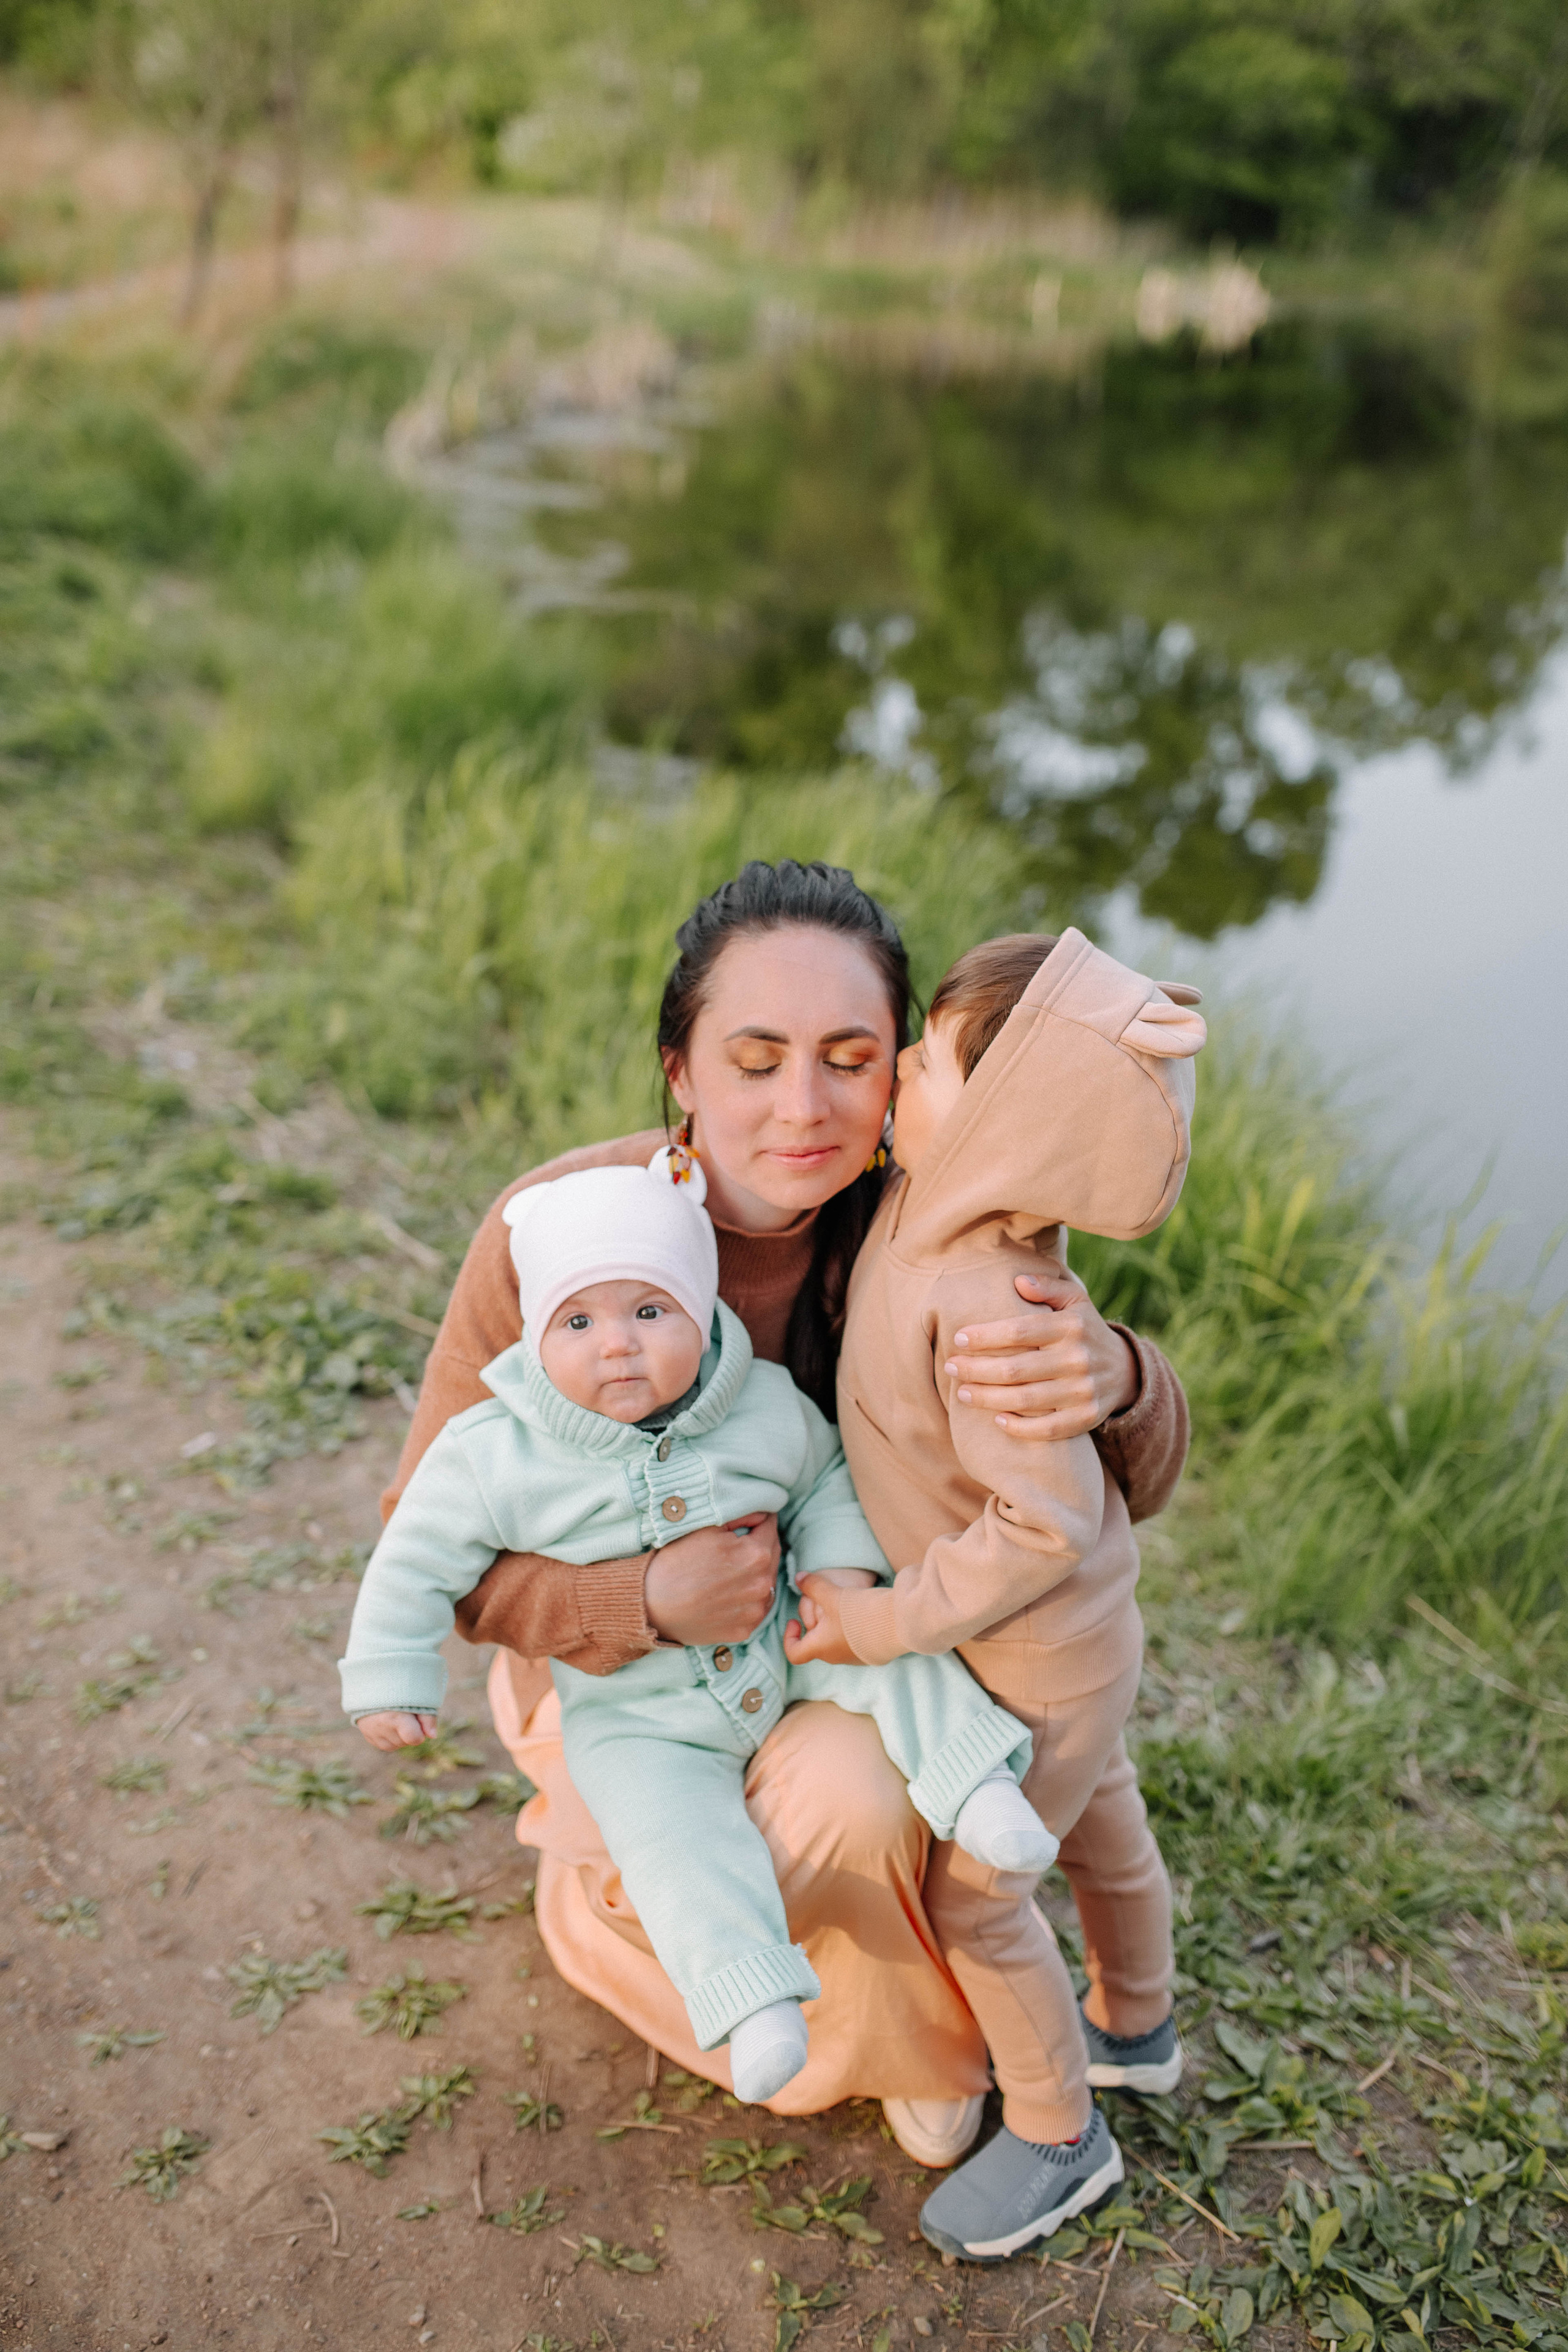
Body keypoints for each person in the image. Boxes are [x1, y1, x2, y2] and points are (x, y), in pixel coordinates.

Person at [382, 859, 1192, 2169]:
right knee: (829, 1809)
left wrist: (1119, 1376)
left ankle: (913, 2017)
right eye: (753, 1060)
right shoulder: (563, 1235)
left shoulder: (932, 1214)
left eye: (851, 1057)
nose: (803, 1107)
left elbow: (1124, 1496)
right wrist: (631, 1600)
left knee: (900, 1776)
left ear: (902, 1079)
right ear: (680, 1072)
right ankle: (627, 1918)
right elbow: (431, 1544)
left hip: (834, 1646)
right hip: (626, 1678)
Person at [341, 1155, 1049, 2101]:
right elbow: (416, 1560)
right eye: (579, 1322)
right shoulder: (493, 1453)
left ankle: (979, 1787)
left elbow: (827, 1475)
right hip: (638, 1711)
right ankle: (750, 1996)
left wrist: (839, 1575)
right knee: (674, 1836)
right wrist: (391, 1674)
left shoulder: (757, 1400)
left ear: (701, 1309)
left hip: (782, 1640)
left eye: (649, 1312)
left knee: (894, 1663)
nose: (618, 1347)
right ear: (537, 1332)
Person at [783, 929, 1203, 2256]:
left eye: (930, 1060)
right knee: (1101, 1813)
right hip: (1065, 1647)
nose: (900, 1064)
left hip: (1033, 1649)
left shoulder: (992, 1301)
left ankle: (1053, 2130)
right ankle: (1135, 2023)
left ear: (1009, 1130)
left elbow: (1045, 1519)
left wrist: (876, 1621)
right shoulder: (927, 1199)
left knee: (980, 1893)